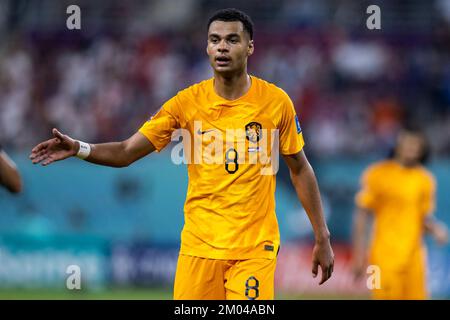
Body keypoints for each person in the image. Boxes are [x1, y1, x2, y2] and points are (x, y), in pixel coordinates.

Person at [30, 8, 334, 300]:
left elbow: (300, 169)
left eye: (232, 39)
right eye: (215, 40)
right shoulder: (186, 104)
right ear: (206, 48)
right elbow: (126, 151)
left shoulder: (276, 102)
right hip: (198, 248)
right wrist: (80, 148)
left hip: (254, 248)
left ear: (250, 47)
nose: (222, 47)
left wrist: (322, 236)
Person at [352, 126, 448, 300]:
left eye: (416, 145)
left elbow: (421, 218)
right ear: (398, 144)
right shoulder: (377, 174)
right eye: (409, 143)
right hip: (383, 257)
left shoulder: (425, 180)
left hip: (414, 258)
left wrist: (436, 229)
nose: (412, 149)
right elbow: (362, 215)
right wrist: (359, 255)